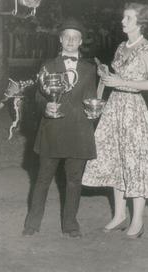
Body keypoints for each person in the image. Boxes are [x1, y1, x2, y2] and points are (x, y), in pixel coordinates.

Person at [82, 2, 148, 239]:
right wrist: (107, 76)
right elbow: (118, 78)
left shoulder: (146, 48)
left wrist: (121, 83)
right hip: (115, 107)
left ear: (140, 23)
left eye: (128, 18)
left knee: (134, 164)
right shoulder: (121, 47)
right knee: (116, 162)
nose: (123, 22)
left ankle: (137, 221)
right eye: (123, 18)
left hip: (133, 109)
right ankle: (119, 216)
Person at [23, 18, 97, 238]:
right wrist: (46, 106)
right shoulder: (48, 65)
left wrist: (94, 111)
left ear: (81, 41)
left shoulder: (89, 68)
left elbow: (91, 97)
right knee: (43, 179)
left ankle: (70, 224)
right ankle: (32, 224)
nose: (71, 41)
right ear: (61, 40)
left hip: (78, 131)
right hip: (53, 129)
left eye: (75, 37)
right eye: (67, 37)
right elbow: (37, 96)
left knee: (74, 181)